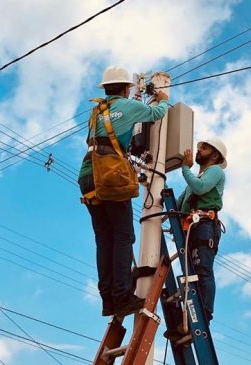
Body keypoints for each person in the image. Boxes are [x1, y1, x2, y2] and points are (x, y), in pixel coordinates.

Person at [78, 66, 170, 317]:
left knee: (104, 239)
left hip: (88, 176)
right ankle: (121, 296)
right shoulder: (128, 107)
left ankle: (108, 300)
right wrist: (164, 99)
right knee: (122, 237)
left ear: (106, 88)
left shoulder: (98, 110)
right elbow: (156, 113)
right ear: (126, 88)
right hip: (109, 177)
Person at [176, 138, 227, 323]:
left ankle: (204, 314)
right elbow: (179, 205)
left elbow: (200, 188)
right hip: (192, 226)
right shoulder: (195, 178)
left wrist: (185, 168)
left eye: (204, 148)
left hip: (205, 225)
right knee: (191, 274)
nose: (199, 150)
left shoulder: (215, 171)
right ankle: (188, 316)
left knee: (203, 270)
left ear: (215, 155)